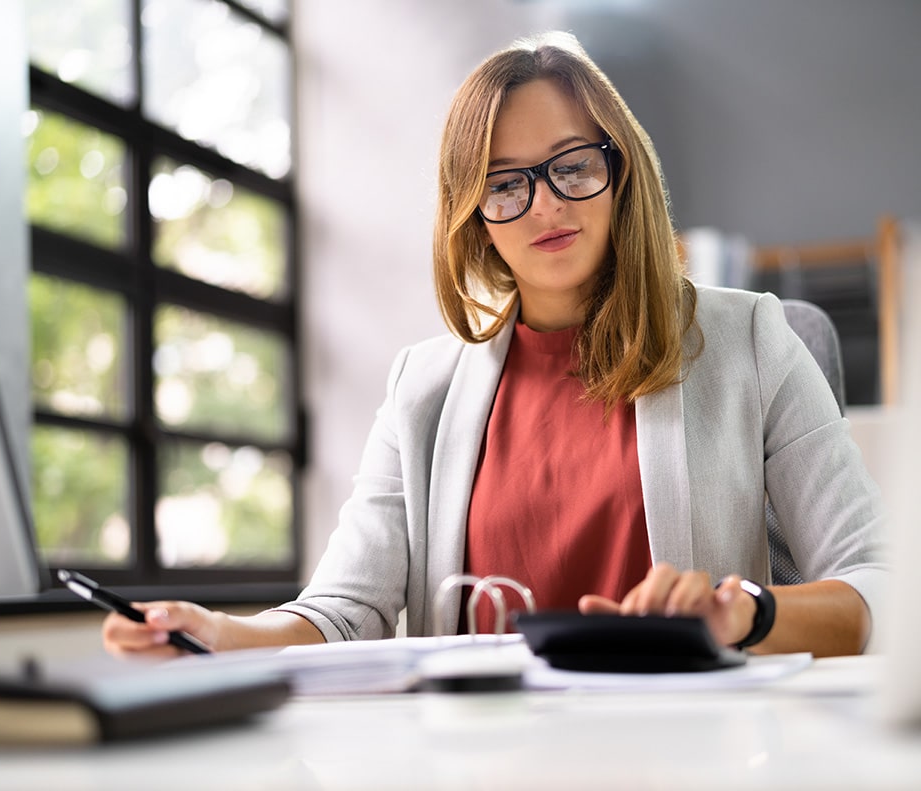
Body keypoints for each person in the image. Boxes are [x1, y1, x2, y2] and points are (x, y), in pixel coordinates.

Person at [103, 31, 886, 660]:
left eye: (572, 166)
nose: (545, 203)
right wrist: (219, 631)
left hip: (682, 746)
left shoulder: (752, 339)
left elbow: (879, 589)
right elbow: (345, 609)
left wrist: (742, 612)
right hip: (479, 758)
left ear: (620, 174)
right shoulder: (424, 385)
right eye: (506, 182)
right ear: (474, 215)